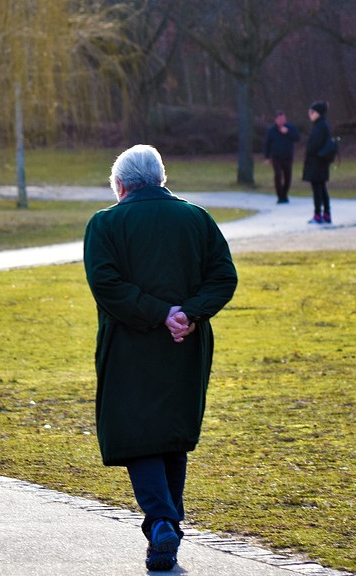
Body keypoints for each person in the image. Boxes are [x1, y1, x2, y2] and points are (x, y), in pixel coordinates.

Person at [83, 145, 238, 572]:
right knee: (171, 431)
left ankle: (162, 521)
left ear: (121, 185)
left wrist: (158, 313)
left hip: (130, 345)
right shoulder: (197, 219)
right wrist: (186, 312)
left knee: (139, 434)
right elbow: (223, 277)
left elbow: (106, 284)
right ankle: (167, 525)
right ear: (161, 178)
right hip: (185, 342)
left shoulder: (106, 224)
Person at [302, 100, 337, 224]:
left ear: (318, 113)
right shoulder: (322, 125)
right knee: (322, 188)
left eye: (312, 112)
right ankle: (326, 214)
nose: (310, 114)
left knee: (318, 189)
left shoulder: (320, 127)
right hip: (320, 162)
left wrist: (309, 153)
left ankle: (318, 215)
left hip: (317, 162)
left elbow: (314, 145)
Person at [263, 110, 300, 203]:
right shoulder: (271, 130)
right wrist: (267, 157)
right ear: (276, 120)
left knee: (288, 176)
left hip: (288, 156)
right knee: (278, 175)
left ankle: (284, 194)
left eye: (283, 119)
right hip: (276, 156)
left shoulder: (290, 128)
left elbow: (297, 138)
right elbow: (267, 144)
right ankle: (280, 196)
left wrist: (288, 132)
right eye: (279, 119)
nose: (281, 121)